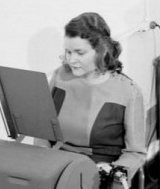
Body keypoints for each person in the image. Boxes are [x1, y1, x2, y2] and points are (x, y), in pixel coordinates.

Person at [49, 12, 145, 180]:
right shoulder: (60, 77)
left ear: (101, 51)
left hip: (98, 173)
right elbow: (43, 132)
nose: (71, 60)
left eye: (80, 53)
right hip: (57, 165)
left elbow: (135, 153)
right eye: (68, 52)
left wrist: (112, 169)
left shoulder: (128, 92)